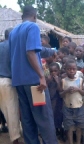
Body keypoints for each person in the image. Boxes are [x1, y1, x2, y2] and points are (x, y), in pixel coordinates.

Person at [9, 6, 58, 144]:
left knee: (27, 119)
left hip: (19, 81)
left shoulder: (14, 32)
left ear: (22, 16)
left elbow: (35, 50)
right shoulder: (33, 27)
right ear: (35, 17)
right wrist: (41, 76)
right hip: (34, 82)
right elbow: (30, 52)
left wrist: (50, 52)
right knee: (44, 118)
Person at [0, 28, 22, 144]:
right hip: (7, 82)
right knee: (11, 111)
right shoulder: (14, 47)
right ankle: (15, 139)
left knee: (3, 110)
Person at [60, 59, 84, 144]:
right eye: (69, 69)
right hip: (68, 108)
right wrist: (67, 91)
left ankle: (78, 142)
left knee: (79, 127)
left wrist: (78, 89)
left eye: (73, 69)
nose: (71, 71)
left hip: (79, 107)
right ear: (65, 69)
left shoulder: (80, 80)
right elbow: (61, 94)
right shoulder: (63, 81)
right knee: (69, 127)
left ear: (76, 69)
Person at [46, 63, 63, 138]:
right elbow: (45, 89)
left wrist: (57, 82)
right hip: (51, 100)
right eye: (51, 71)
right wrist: (48, 81)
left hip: (59, 101)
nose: (53, 73)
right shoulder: (48, 79)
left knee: (58, 115)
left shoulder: (60, 79)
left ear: (59, 71)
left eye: (55, 71)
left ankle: (58, 130)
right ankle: (53, 131)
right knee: (51, 115)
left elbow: (60, 90)